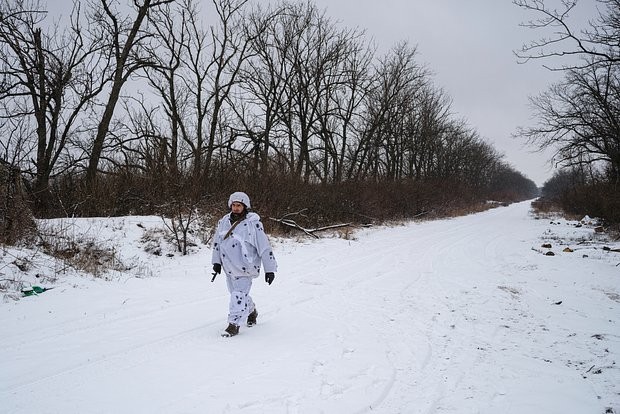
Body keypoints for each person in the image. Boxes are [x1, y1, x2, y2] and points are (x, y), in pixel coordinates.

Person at [211, 191, 277, 337]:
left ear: (244, 206)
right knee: (238, 295)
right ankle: (251, 310)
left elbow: (264, 247)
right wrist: (216, 262)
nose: (235, 208)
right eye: (233, 205)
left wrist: (269, 269)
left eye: (238, 205)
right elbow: (217, 243)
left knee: (238, 295)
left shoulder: (253, 224)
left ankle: (233, 324)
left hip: (246, 267)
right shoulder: (223, 222)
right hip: (229, 267)